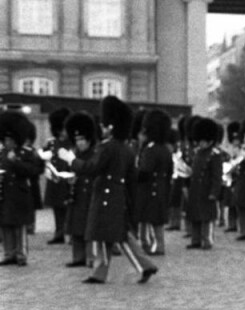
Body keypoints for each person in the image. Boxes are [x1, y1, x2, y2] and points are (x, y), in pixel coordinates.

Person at [59, 96, 158, 284]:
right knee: (114, 234)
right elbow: (132, 178)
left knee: (107, 234)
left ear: (111, 126)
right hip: (118, 196)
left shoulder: (107, 147)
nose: (102, 128)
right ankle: (107, 271)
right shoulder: (126, 149)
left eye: (104, 125)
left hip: (105, 196)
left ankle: (138, 266)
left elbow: (92, 168)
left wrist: (71, 160)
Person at [0, 111, 45, 266]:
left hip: (20, 194)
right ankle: (8, 253)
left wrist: (15, 162)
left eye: (10, 140)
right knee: (6, 225)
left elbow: (32, 170)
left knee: (19, 227)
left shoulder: (25, 153)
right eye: (5, 139)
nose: (7, 143)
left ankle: (21, 254)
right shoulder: (1, 154)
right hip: (5, 194)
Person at [133, 110, 173, 255]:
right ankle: (156, 243)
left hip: (149, 188)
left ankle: (152, 244)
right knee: (157, 219)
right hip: (161, 187)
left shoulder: (150, 150)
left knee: (149, 217)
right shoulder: (165, 149)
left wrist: (133, 173)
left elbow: (144, 171)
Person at [63, 112, 98, 267]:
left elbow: (90, 169)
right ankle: (78, 257)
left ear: (89, 139)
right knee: (76, 226)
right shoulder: (75, 154)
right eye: (77, 140)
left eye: (82, 139)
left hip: (90, 193)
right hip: (77, 194)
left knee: (89, 228)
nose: (80, 143)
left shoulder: (96, 153)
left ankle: (91, 257)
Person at [184, 117, 223, 249]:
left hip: (207, 190)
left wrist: (214, 192)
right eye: (200, 141)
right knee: (195, 216)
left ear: (210, 141)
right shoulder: (197, 153)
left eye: (203, 141)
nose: (200, 143)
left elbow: (217, 176)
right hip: (196, 190)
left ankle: (207, 240)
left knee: (206, 218)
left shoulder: (215, 155)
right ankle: (195, 240)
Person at [41, 107, 72, 245]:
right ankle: (59, 232)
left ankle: (71, 233)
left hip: (67, 178)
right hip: (54, 179)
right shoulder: (51, 143)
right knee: (57, 208)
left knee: (69, 208)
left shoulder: (71, 143)